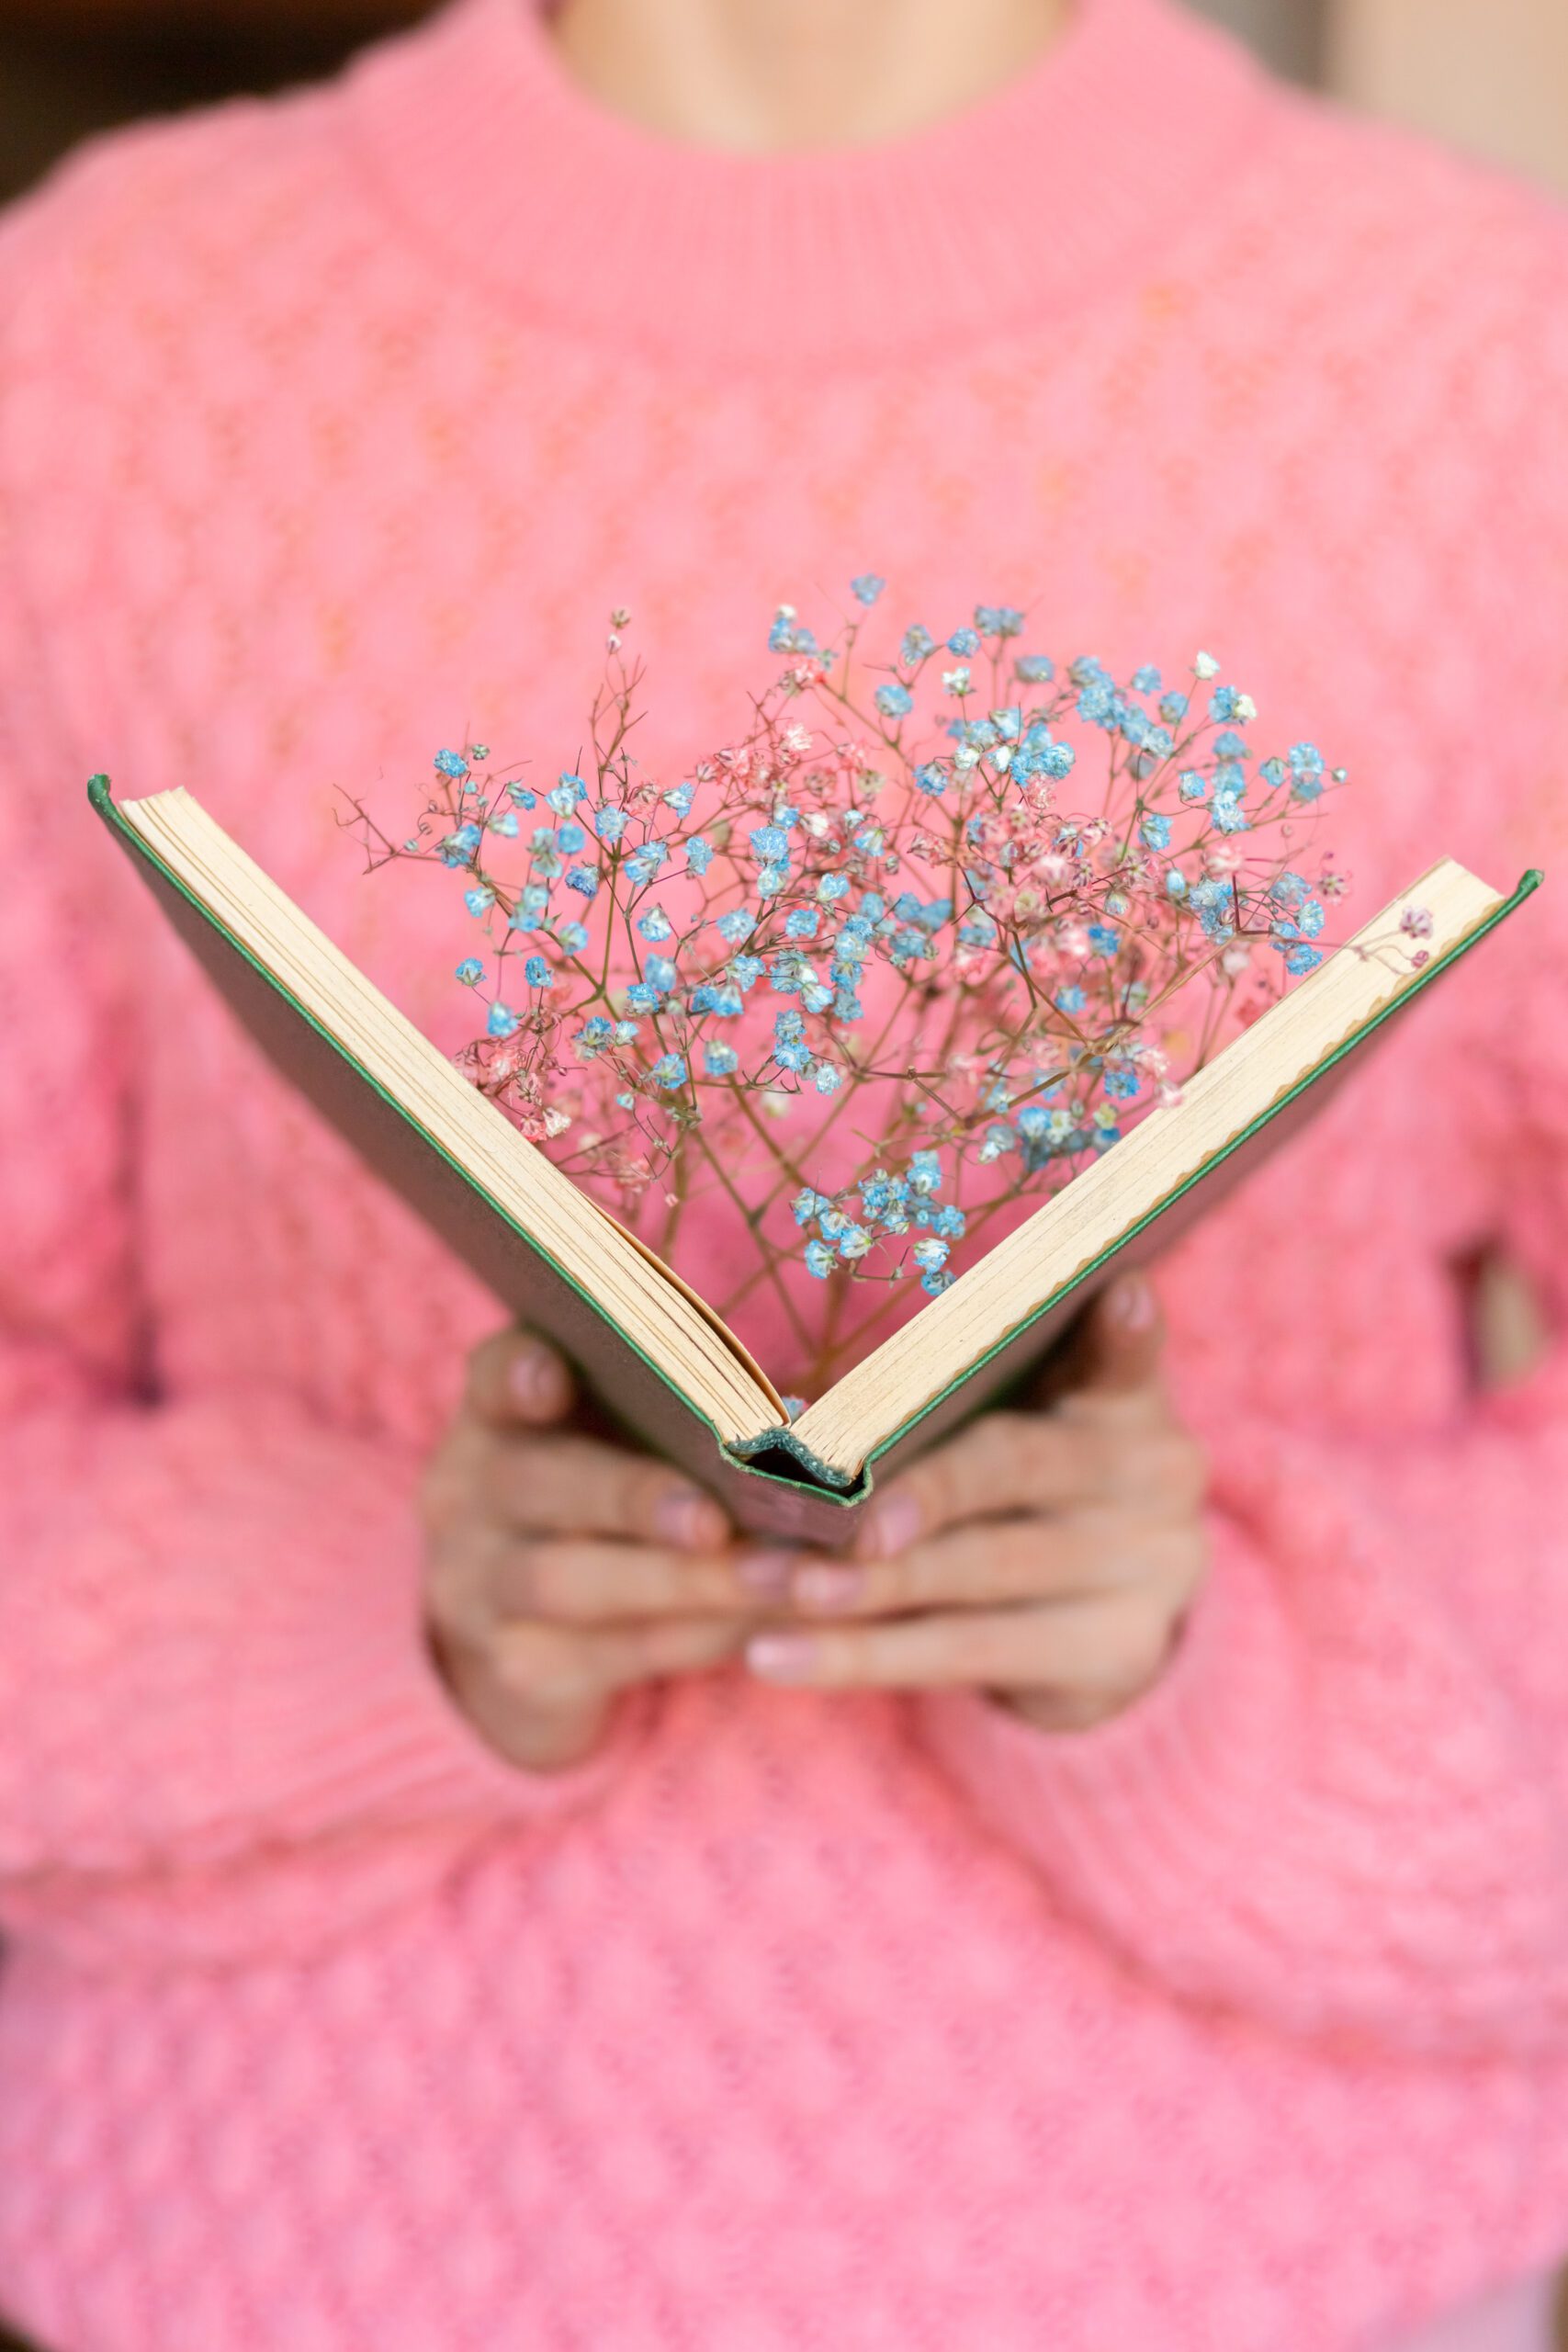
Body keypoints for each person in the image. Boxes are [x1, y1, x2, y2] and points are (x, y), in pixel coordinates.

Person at [0, 0, 1565, 2345]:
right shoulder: (98, 348)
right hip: (298, 2240)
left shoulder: (1489, 368)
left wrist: (1214, 1655)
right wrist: (374, 1618)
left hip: (1287, 2256)